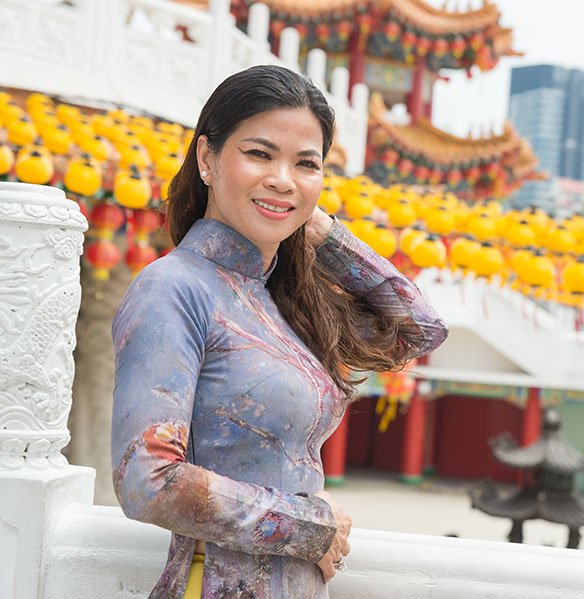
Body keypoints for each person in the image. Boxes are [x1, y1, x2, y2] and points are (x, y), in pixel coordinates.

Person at [111, 65, 448, 599]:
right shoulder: (173, 289)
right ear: (207, 159)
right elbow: (148, 481)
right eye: (260, 154)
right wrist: (312, 527)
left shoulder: (281, 299)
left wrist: (325, 233)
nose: (283, 179)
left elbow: (419, 330)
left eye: (306, 164)